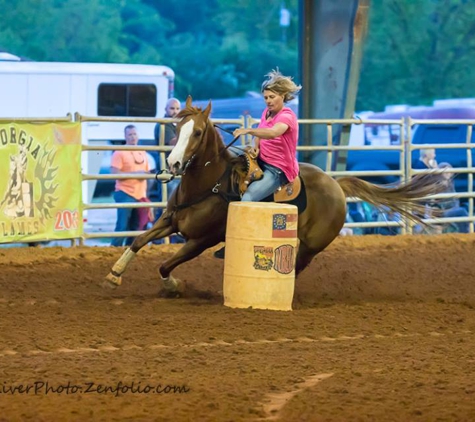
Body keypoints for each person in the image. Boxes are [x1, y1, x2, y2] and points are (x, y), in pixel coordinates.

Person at [214, 69, 301, 258]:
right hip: (262, 158)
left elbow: (274, 132)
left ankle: (238, 243)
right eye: (266, 98)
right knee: (226, 154)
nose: (268, 101)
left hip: (278, 169)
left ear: (283, 96)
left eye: (272, 97)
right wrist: (255, 148)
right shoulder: (267, 113)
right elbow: (262, 133)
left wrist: (248, 131)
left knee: (248, 199)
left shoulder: (287, 116)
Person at [110, 125, 151, 247]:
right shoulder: (119, 152)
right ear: (125, 136)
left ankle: (129, 250)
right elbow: (114, 173)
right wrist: (135, 174)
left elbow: (147, 171)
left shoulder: (142, 151)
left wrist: (144, 175)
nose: (133, 137)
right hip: (124, 192)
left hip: (140, 193)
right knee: (122, 225)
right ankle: (114, 249)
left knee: (137, 225)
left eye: (134, 134)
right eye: (130, 135)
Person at [151, 98, 184, 243]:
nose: (175, 111)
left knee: (177, 204)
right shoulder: (163, 125)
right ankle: (158, 238)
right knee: (166, 203)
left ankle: (175, 237)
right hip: (167, 170)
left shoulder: (178, 124)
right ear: (165, 109)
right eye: (172, 108)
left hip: (178, 170)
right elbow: (172, 142)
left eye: (177, 108)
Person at [435, 162, 469, 233]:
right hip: (442, 212)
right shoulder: (437, 184)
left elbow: (455, 199)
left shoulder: (450, 184)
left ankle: (466, 233)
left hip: (452, 209)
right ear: (440, 172)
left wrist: (455, 206)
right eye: (446, 171)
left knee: (464, 210)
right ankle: (467, 233)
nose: (448, 173)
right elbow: (439, 203)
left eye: (450, 171)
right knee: (461, 211)